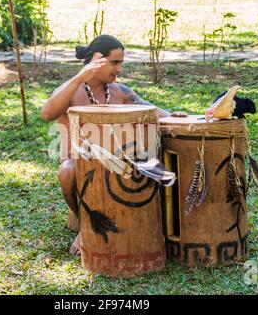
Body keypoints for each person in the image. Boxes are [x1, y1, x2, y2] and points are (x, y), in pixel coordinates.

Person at [42, 35, 185, 256]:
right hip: (79, 162)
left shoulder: (119, 92)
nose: (119, 69)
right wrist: (79, 77)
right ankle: (85, 223)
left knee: (146, 163)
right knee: (66, 172)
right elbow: (48, 113)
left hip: (117, 161)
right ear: (97, 60)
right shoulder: (71, 90)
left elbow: (150, 110)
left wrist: (172, 115)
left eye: (121, 63)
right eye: (114, 62)